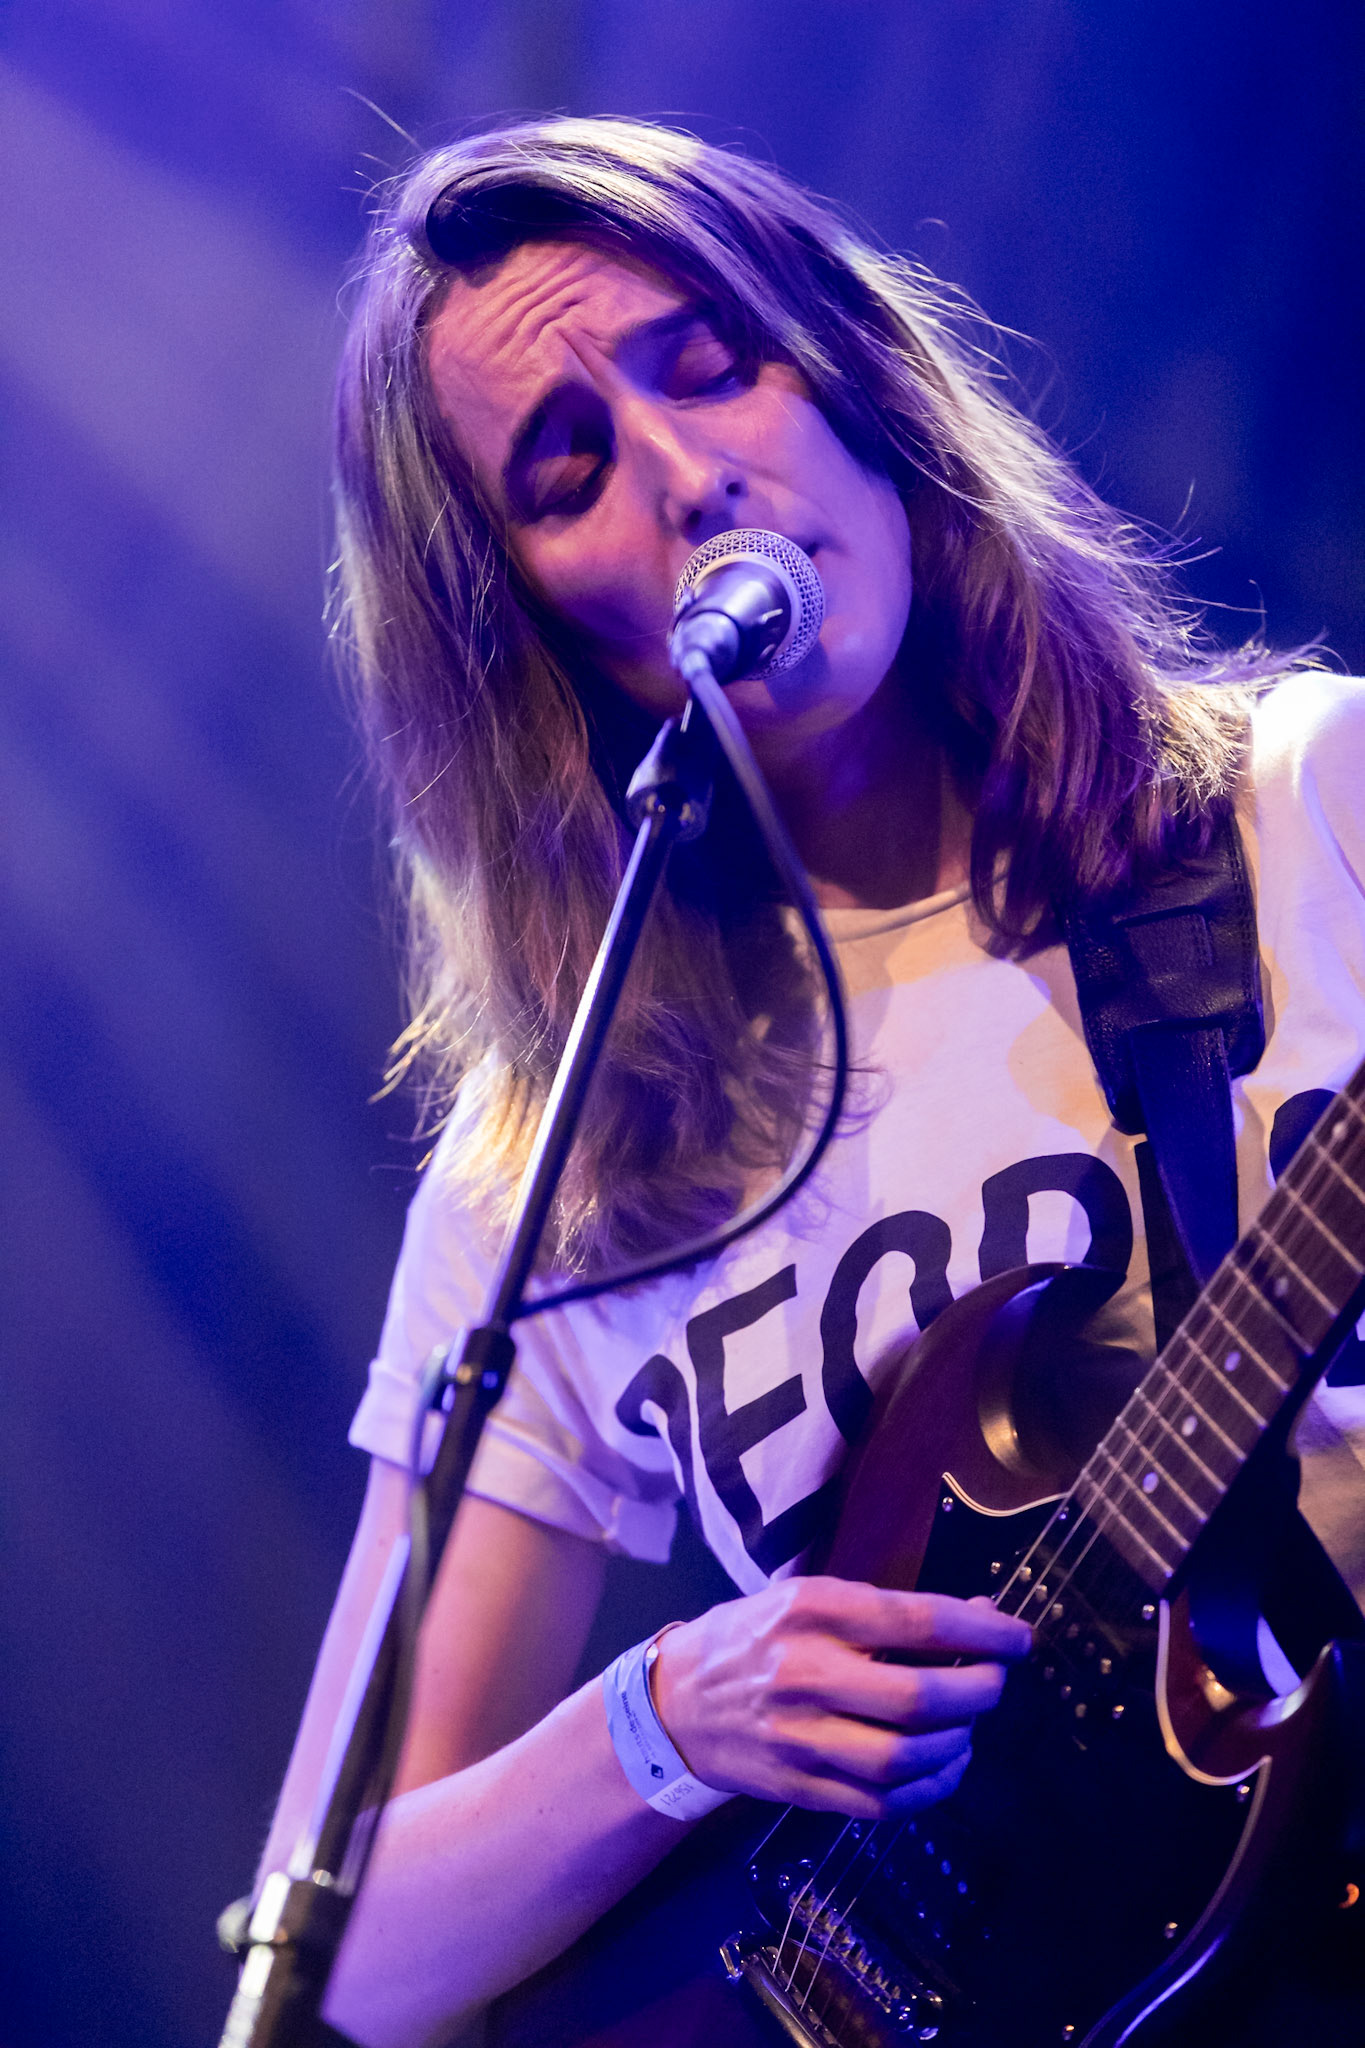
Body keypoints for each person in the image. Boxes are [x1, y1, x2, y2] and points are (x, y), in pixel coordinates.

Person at [254, 117, 1365, 2048]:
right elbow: (351, 1952)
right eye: (568, 468)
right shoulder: (562, 1178)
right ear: (518, 620)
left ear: (849, 376)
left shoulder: (1302, 808)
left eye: (710, 360)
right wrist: (665, 1719)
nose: (690, 477)